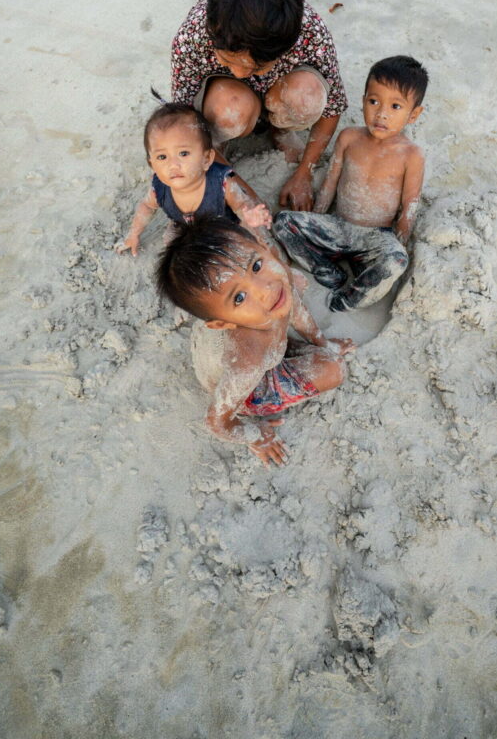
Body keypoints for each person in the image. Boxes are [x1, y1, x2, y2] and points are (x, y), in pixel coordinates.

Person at [156, 217, 354, 466]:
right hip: (247, 386)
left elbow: (298, 312)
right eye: (239, 297)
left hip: (256, 345)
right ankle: (284, 355)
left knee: (295, 282)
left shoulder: (275, 288)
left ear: (262, 245)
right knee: (333, 369)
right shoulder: (248, 362)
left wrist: (323, 343)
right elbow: (217, 421)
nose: (265, 288)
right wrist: (256, 435)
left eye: (257, 265)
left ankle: (285, 345)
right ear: (223, 323)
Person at [169, 0, 348, 211]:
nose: (241, 72)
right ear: (213, 30)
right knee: (230, 110)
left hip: (281, 91)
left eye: (257, 68)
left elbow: (333, 105)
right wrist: (240, 191)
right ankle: (219, 147)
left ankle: (280, 129)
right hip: (231, 99)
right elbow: (183, 122)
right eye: (228, 61)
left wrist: (304, 172)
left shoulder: (308, 30)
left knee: (307, 96)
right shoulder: (192, 35)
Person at [273, 56, 428, 312]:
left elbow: (408, 208)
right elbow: (330, 184)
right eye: (373, 101)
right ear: (364, 99)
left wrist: (398, 246)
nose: (381, 114)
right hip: (339, 227)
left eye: (395, 107)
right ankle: (327, 269)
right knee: (283, 223)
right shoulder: (349, 138)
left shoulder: (411, 155)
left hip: (375, 237)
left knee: (396, 261)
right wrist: (318, 220)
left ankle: (347, 299)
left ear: (414, 114)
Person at [117, 95, 271, 257]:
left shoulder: (221, 183)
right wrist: (133, 234)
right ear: (152, 165)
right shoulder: (159, 189)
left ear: (206, 159)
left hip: (223, 229)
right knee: (172, 243)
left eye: (183, 153)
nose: (173, 164)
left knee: (249, 242)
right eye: (162, 157)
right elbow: (147, 207)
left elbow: (241, 205)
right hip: (184, 227)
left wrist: (249, 215)